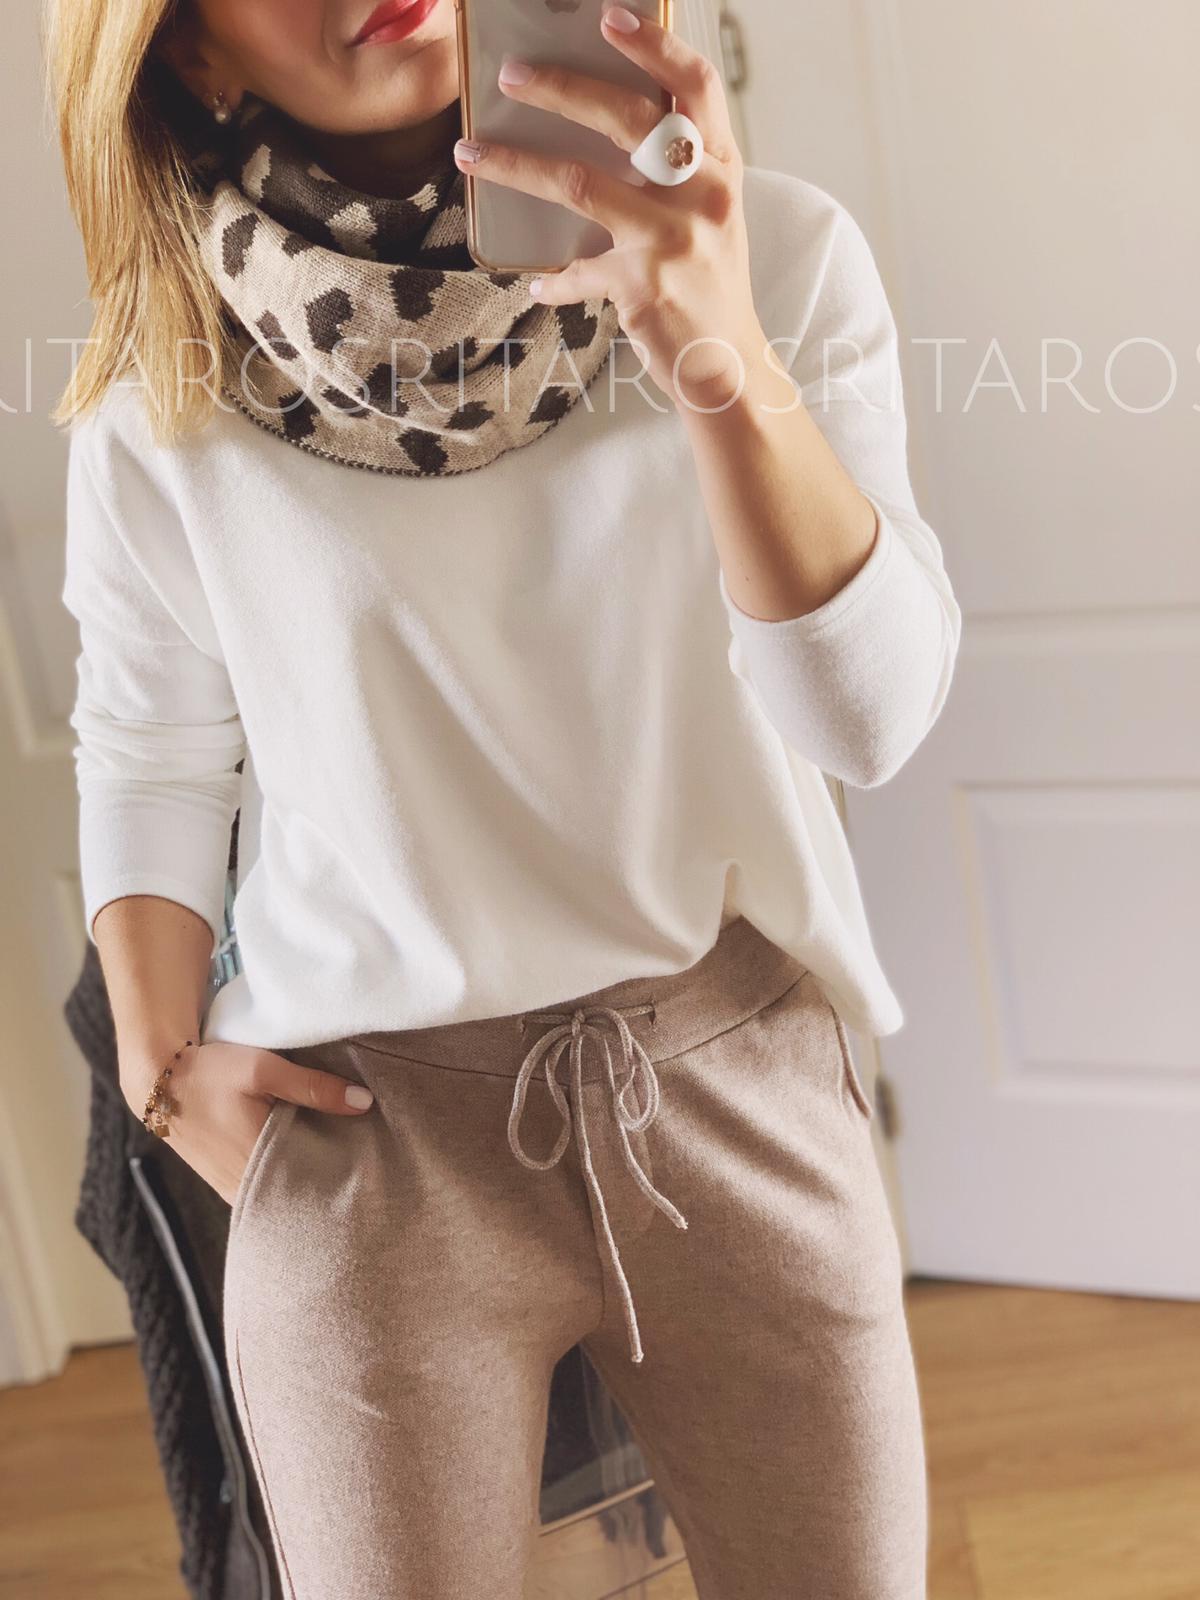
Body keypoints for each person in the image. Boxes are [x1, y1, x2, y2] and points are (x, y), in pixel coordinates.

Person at [50, 0, 960, 1595]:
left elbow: (866, 724)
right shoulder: (165, 383)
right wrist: (160, 1068)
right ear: (188, 49)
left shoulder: (777, 256)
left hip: (738, 1091)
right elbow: (150, 751)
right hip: (374, 1153)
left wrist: (710, 338)